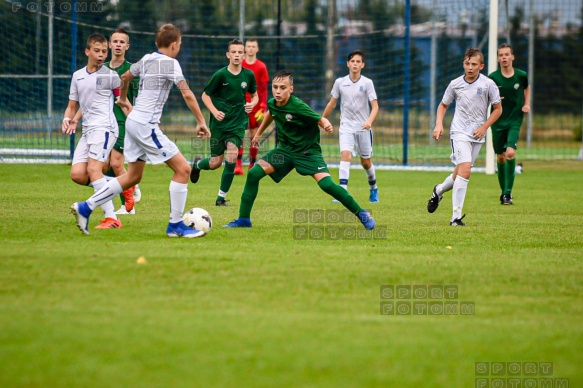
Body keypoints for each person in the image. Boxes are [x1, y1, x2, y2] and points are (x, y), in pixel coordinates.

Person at [70, 24, 211, 237]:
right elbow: (187, 93)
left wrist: (123, 99)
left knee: (133, 176)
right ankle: (175, 226)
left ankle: (86, 207)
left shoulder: (146, 59)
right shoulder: (171, 64)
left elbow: (125, 78)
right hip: (146, 124)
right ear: (174, 45)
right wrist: (201, 121)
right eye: (179, 44)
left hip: (133, 122)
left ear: (157, 44)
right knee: (183, 170)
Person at [223, 70, 376, 230]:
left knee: (327, 185)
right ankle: (244, 219)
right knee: (254, 173)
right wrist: (259, 133)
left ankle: (362, 213)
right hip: (285, 151)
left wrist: (326, 125)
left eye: (282, 87)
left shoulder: (297, 106)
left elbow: (319, 118)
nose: (278, 91)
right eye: (275, 87)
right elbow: (271, 113)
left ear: (291, 89)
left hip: (307, 152)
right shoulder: (272, 103)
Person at [426, 48, 502, 226]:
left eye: (474, 64)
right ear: (463, 64)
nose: (470, 67)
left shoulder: (488, 84)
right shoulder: (455, 84)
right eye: (467, 63)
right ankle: (455, 217)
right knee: (466, 170)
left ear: (481, 66)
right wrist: (438, 124)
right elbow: (443, 105)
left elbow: (498, 109)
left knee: (459, 173)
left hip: (477, 134)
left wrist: (484, 127)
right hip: (459, 132)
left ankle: (438, 190)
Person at [62, 33, 123, 230]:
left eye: (104, 51)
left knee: (94, 170)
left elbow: (122, 101)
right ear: (87, 51)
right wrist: (69, 119)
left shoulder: (111, 76)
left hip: (105, 128)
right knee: (78, 174)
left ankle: (111, 218)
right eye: (96, 51)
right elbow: (73, 105)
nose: (101, 55)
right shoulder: (77, 76)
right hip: (88, 131)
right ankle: (120, 185)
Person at [190, 38, 258, 206]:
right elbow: (205, 96)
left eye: (239, 52)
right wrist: (214, 111)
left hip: (238, 123)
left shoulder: (248, 75)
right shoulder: (220, 74)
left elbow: (255, 95)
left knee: (232, 155)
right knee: (215, 163)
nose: (236, 55)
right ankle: (198, 165)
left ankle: (221, 198)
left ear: (244, 55)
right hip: (219, 124)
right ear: (228, 55)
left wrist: (252, 104)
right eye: (233, 52)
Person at [322, 49, 380, 203]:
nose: (355, 64)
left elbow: (375, 106)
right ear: (348, 64)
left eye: (358, 62)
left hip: (363, 128)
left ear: (363, 65)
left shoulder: (367, 83)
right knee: (345, 155)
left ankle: (374, 189)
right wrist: (321, 119)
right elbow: (332, 104)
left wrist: (369, 121)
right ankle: (342, 192)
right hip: (346, 127)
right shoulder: (340, 82)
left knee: (365, 162)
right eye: (352, 61)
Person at [103, 28, 140, 215]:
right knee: (106, 166)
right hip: (104, 124)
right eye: (114, 41)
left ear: (127, 46)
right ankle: (132, 185)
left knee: (116, 163)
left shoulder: (132, 71)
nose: (118, 45)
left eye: (121, 42)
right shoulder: (102, 69)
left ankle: (129, 203)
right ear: (109, 44)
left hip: (124, 123)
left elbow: (139, 100)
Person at [488, 43, 530, 205]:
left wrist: (526, 104)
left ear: (512, 57)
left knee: (510, 153)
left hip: (514, 119)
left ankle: (507, 193)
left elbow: (527, 88)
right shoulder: (493, 78)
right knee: (500, 156)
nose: (504, 57)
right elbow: (486, 96)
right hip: (497, 121)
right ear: (498, 58)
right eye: (501, 55)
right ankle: (503, 190)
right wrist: (494, 100)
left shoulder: (521, 76)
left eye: (507, 54)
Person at [235, 38, 270, 175]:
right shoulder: (239, 64)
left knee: (255, 135)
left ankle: (251, 163)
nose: (250, 49)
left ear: (257, 49)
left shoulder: (261, 66)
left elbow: (264, 88)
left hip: (256, 106)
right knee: (239, 133)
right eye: (248, 46)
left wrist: (263, 106)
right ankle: (238, 164)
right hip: (241, 104)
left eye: (253, 46)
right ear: (245, 49)